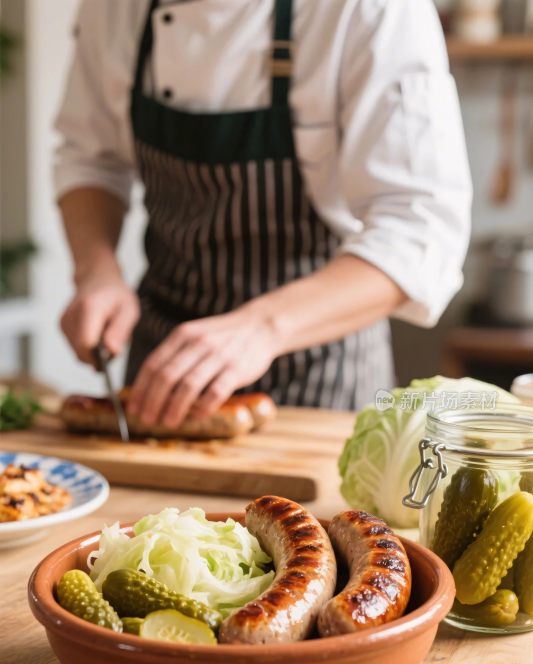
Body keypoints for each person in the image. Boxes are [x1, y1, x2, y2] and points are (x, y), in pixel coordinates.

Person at [56, 0, 471, 429]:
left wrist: (263, 326)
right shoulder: (112, 7)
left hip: (320, 370)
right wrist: (96, 271)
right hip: (160, 368)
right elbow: (90, 159)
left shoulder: (370, 10)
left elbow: (420, 230)